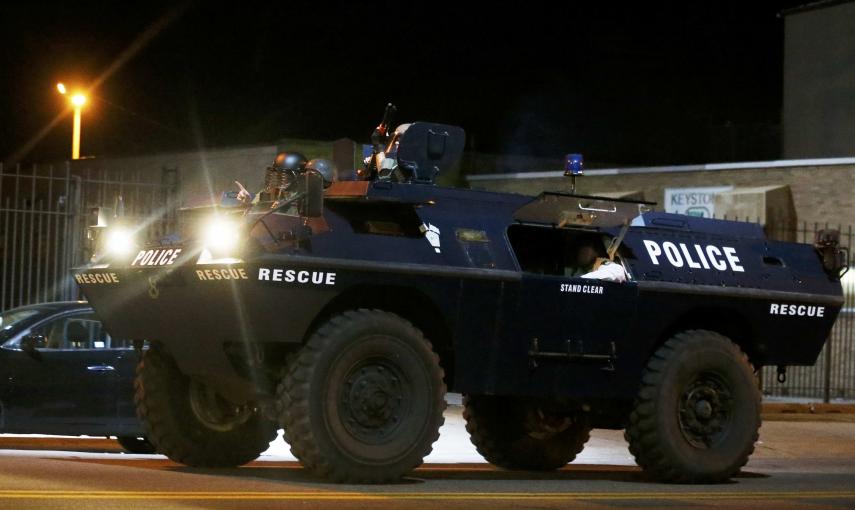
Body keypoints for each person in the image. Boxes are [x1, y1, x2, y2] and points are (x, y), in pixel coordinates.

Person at [236, 151, 308, 204]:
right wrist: (248, 200)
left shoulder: (307, 199)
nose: (278, 178)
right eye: (277, 174)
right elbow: (255, 208)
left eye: (283, 175)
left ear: (299, 176)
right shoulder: (271, 193)